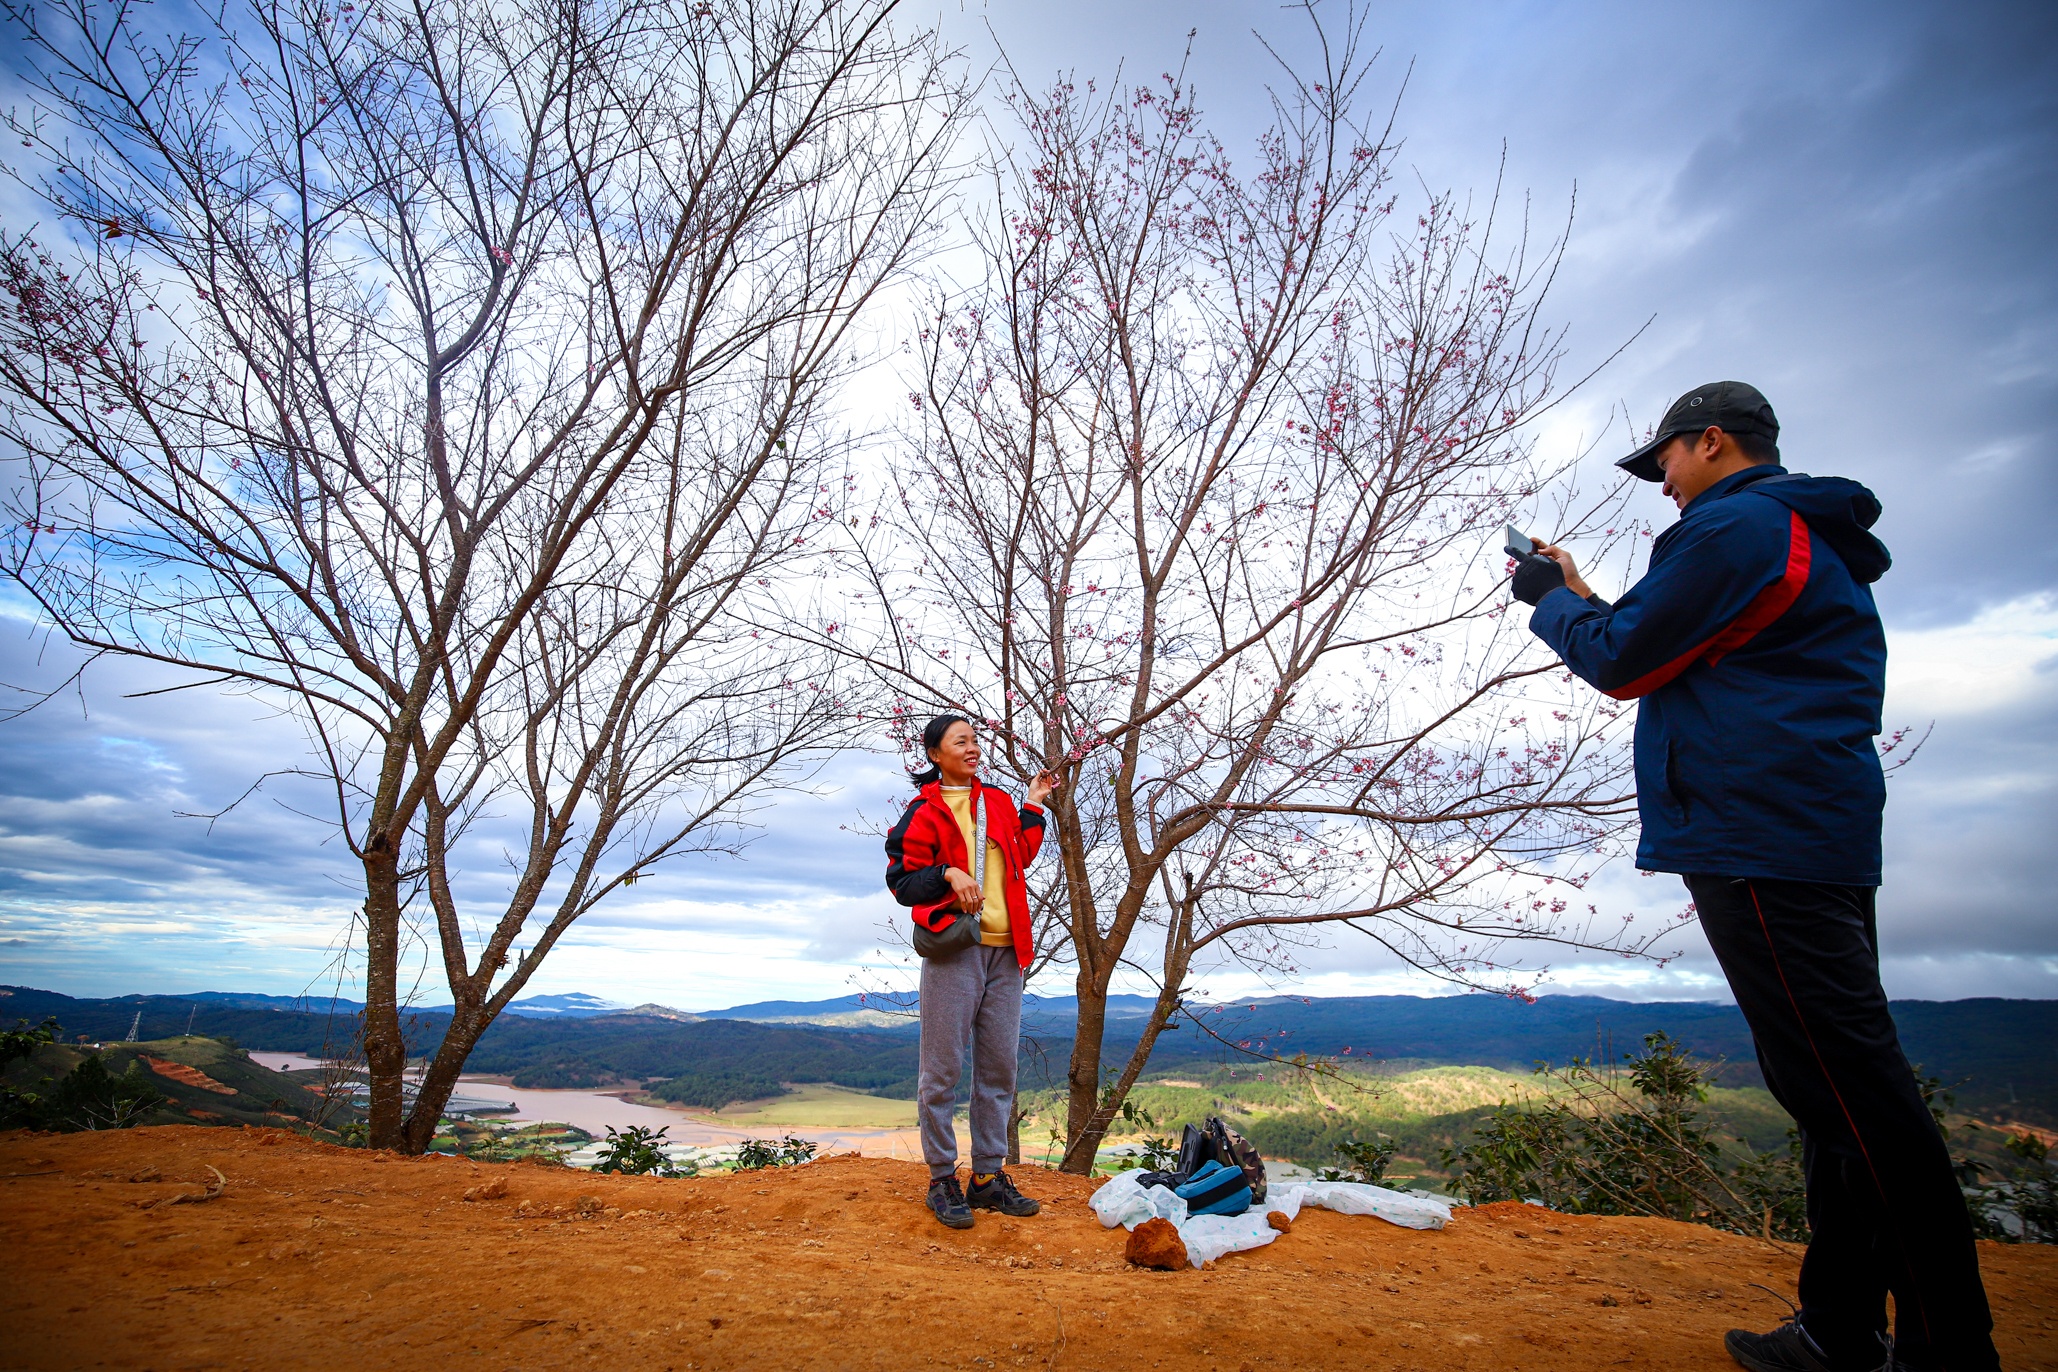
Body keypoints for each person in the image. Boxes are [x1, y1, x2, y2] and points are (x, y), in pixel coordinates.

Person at [1510, 382, 1999, 1372]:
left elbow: (1623, 662)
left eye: (1664, 463)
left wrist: (1550, 603)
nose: (1662, 485)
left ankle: (1948, 1350)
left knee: (1857, 1096)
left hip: (1759, 829)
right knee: (1830, 1090)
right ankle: (1840, 1327)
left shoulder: (1734, 527)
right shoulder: (1790, 531)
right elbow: (1668, 646)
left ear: (1712, 442)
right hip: (1806, 822)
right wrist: (1581, 595)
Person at [884, 715, 1060, 1229]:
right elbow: (902, 881)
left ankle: (986, 1177)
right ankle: (942, 1178)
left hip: (1008, 952)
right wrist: (947, 873)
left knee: (999, 1068)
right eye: (961, 741)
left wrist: (1033, 802)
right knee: (941, 1070)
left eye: (975, 740)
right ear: (935, 754)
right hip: (956, 949)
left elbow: (1021, 854)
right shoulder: (924, 811)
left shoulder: (998, 802)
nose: (973, 748)